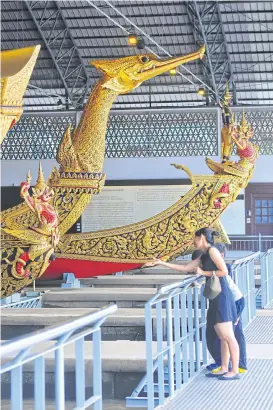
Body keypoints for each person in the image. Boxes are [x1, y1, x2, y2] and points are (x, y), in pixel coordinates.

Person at [144, 227, 240, 380]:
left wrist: (204, 273)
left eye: (194, 238)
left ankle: (234, 370)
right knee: (222, 335)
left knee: (227, 335)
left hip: (222, 295)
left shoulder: (213, 251)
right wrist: (162, 263)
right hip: (215, 296)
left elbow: (224, 271)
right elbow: (185, 268)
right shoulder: (204, 255)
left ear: (201, 237)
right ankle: (224, 366)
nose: (193, 241)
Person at [206, 243, 247, 374]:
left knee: (234, 333)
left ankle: (239, 365)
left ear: (221, 255)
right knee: (224, 334)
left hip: (235, 302)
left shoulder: (224, 269)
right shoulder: (214, 267)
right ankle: (224, 364)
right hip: (229, 301)